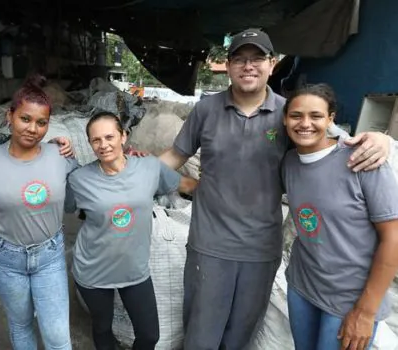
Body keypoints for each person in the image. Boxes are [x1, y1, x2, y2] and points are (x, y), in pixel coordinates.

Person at [158, 28, 394, 349]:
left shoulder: (291, 114)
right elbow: (174, 156)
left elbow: (335, 138)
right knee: (201, 334)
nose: (248, 66)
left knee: (240, 334)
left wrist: (381, 139)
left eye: (257, 58)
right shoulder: (206, 109)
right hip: (209, 245)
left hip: (261, 250)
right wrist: (129, 176)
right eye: (239, 59)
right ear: (227, 66)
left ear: (272, 64)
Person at [66, 112, 198, 350]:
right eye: (96, 140)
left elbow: (187, 185)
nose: (104, 145)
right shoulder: (79, 179)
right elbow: (63, 204)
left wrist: (225, 190)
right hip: (93, 271)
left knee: (149, 335)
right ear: (90, 144)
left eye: (109, 137)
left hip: (135, 271)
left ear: (123, 136)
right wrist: (60, 155)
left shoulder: (148, 166)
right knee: (102, 329)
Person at [282, 84, 398, 350]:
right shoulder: (289, 162)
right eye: (296, 115)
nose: (305, 123)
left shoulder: (363, 161)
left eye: (316, 116)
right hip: (303, 286)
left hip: (350, 298)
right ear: (285, 119)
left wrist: (366, 312)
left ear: (331, 119)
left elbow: (393, 237)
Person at [0, 75, 77, 350]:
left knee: (57, 336)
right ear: (10, 116)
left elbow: (87, 183)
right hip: (6, 258)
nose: (33, 128)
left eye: (41, 122)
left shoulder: (60, 155)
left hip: (50, 256)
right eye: (25, 118)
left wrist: (127, 158)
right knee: (20, 327)